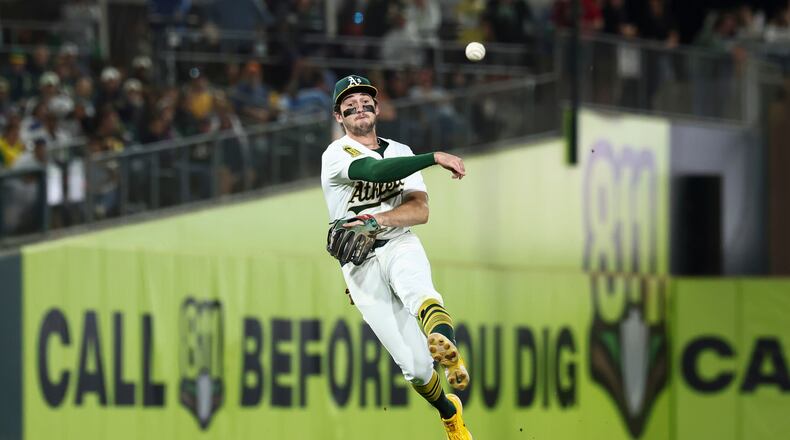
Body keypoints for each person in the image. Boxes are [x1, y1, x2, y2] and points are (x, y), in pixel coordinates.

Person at [320, 74, 473, 440]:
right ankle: (449, 413)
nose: (359, 108)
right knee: (416, 369)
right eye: (349, 105)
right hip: (359, 266)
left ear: (377, 108)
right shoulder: (336, 153)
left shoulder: (402, 151)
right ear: (339, 116)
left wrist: (379, 220)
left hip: (398, 241)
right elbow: (374, 171)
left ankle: (447, 347)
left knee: (420, 292)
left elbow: (420, 210)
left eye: (365, 102)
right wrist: (433, 157)